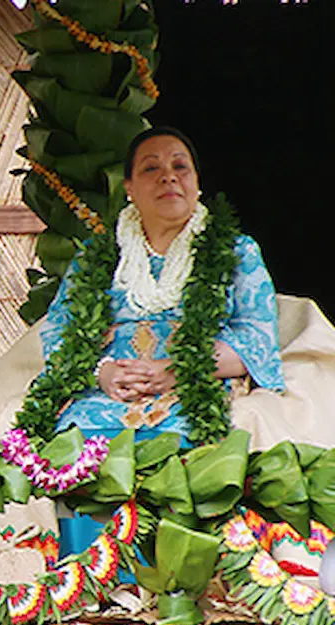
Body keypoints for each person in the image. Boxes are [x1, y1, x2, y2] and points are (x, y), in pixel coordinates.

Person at [41, 126, 283, 442]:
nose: (168, 176)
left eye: (179, 166)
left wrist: (178, 368)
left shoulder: (237, 251)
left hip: (194, 394)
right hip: (102, 399)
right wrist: (103, 373)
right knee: (71, 454)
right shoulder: (96, 256)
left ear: (197, 183)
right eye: (151, 167)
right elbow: (59, 332)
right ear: (129, 186)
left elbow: (258, 341)